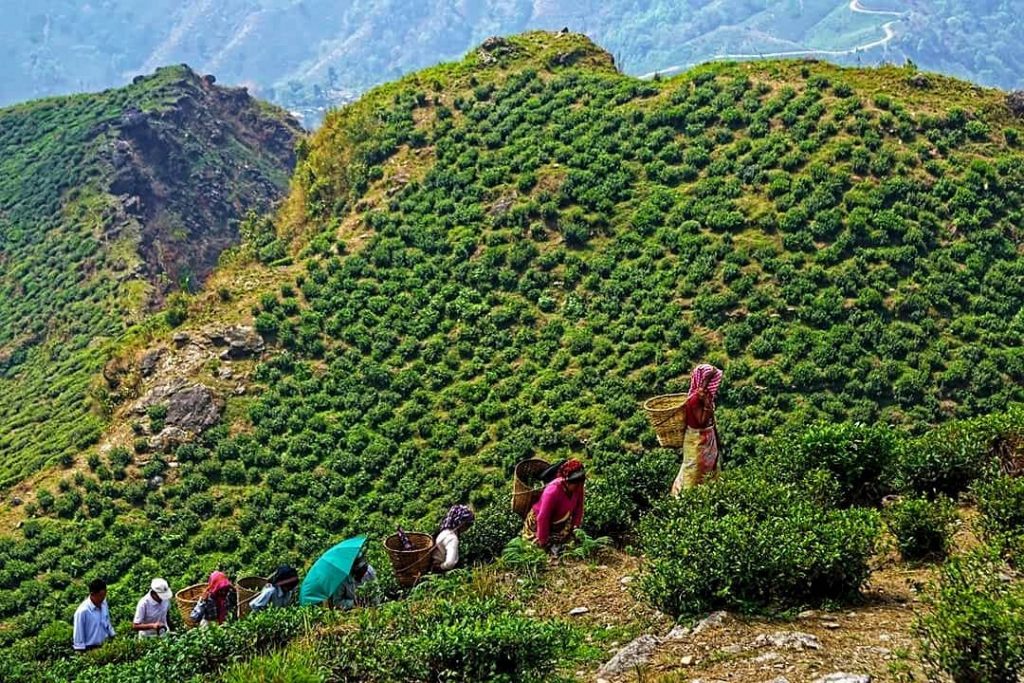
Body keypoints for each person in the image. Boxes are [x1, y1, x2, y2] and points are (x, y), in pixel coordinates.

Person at [670, 363, 723, 495]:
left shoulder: (705, 397)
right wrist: (707, 405)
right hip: (697, 441)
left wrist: (717, 439)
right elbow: (701, 422)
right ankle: (685, 495)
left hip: (707, 440)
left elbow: (711, 421)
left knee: (708, 470)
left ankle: (708, 495)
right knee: (694, 469)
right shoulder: (694, 399)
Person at [523, 459, 585, 552]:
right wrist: (543, 541)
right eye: (575, 483)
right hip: (538, 524)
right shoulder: (552, 491)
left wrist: (575, 527)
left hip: (559, 522)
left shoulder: (578, 487)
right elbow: (543, 518)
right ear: (566, 481)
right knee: (537, 549)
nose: (578, 486)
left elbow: (579, 508)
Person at [73, 579, 116, 652]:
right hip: (91, 650)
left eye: (104, 595)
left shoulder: (103, 603)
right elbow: (78, 639)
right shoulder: (82, 612)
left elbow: (107, 622)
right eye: (100, 596)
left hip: (106, 646)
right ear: (92, 594)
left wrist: (113, 637)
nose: (103, 598)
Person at [432, 505, 475, 572]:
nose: (468, 528)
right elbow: (450, 563)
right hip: (439, 570)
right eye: (468, 525)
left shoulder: (444, 532)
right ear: (461, 524)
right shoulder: (452, 538)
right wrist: (441, 567)